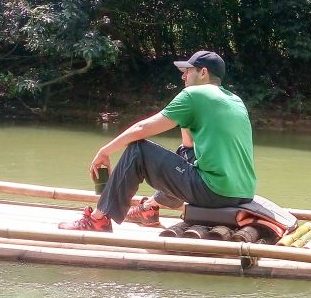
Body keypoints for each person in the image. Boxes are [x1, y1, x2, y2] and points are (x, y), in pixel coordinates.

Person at [59, 50, 256, 231]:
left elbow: (142, 129)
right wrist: (186, 118)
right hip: (243, 193)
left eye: (187, 71)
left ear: (203, 72)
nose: (183, 76)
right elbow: (188, 147)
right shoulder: (235, 100)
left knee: (139, 150)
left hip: (214, 192)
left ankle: (98, 219)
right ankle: (150, 207)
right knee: (184, 155)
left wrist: (105, 151)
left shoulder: (194, 94)